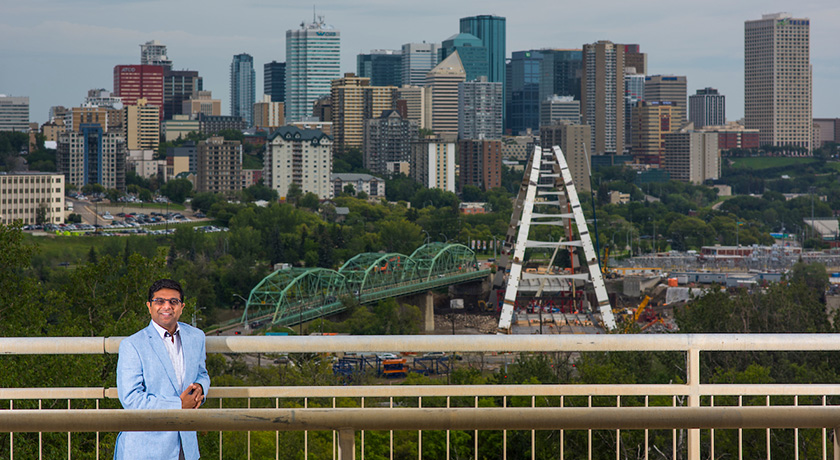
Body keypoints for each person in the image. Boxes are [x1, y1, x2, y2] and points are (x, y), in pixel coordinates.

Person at [114, 279, 210, 460]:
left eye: (173, 301)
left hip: (186, 446)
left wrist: (200, 387)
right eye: (160, 301)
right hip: (145, 448)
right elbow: (131, 399)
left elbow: (202, 373)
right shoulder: (132, 345)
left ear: (182, 306)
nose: (167, 306)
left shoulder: (196, 337)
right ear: (149, 306)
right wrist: (178, 405)